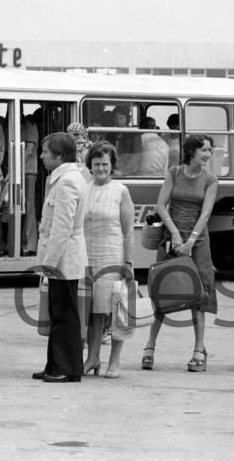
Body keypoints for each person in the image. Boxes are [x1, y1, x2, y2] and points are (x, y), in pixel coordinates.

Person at [141, 134, 218, 373]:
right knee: (162, 291)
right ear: (192, 151)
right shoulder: (174, 173)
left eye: (209, 150)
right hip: (171, 240)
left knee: (200, 295)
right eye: (204, 150)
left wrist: (190, 241)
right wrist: (175, 234)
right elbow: (161, 205)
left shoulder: (211, 179)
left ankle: (199, 349)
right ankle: (150, 346)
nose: (208, 154)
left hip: (198, 242)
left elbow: (205, 214)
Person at [32, 132, 88, 383]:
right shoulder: (63, 178)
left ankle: (66, 368)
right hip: (62, 260)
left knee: (63, 314)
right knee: (58, 313)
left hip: (63, 260)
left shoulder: (67, 182)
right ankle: (56, 364)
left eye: (45, 152)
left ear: (59, 155)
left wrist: (49, 263)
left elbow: (62, 227)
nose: (42, 156)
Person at [82, 141, 135, 378]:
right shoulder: (84, 189)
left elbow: (128, 231)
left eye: (105, 164)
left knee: (117, 311)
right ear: (89, 166)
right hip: (88, 256)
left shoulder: (121, 191)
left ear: (112, 165)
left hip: (113, 256)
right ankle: (92, 357)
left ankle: (115, 360)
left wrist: (129, 264)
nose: (101, 168)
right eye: (96, 164)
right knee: (94, 311)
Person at [22, 112, 39, 255]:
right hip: (19, 172)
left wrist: (16, 167)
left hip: (27, 172)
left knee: (29, 207)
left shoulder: (30, 125)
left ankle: (31, 244)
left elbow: (29, 149)